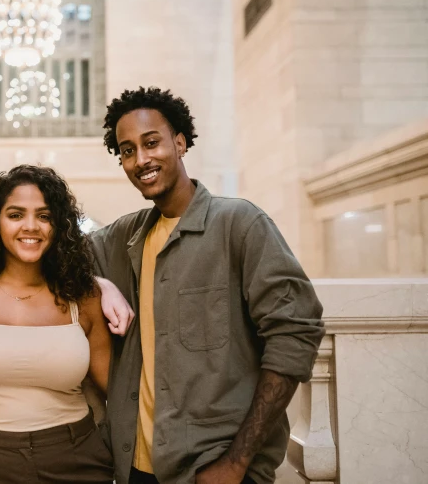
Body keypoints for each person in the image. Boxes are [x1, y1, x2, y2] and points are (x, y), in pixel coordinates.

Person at [89, 87, 325, 484]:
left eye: (151, 143)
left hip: (218, 470)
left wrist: (237, 461)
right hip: (135, 469)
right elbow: (49, 252)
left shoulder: (240, 225)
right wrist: (100, 282)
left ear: (179, 143)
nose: (141, 160)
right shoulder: (122, 238)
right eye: (127, 150)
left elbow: (296, 333)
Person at [0, 165, 115, 484]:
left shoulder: (84, 298)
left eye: (45, 216)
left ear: (59, 226)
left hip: (74, 459)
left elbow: (117, 392)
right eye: (16, 214)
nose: (31, 226)